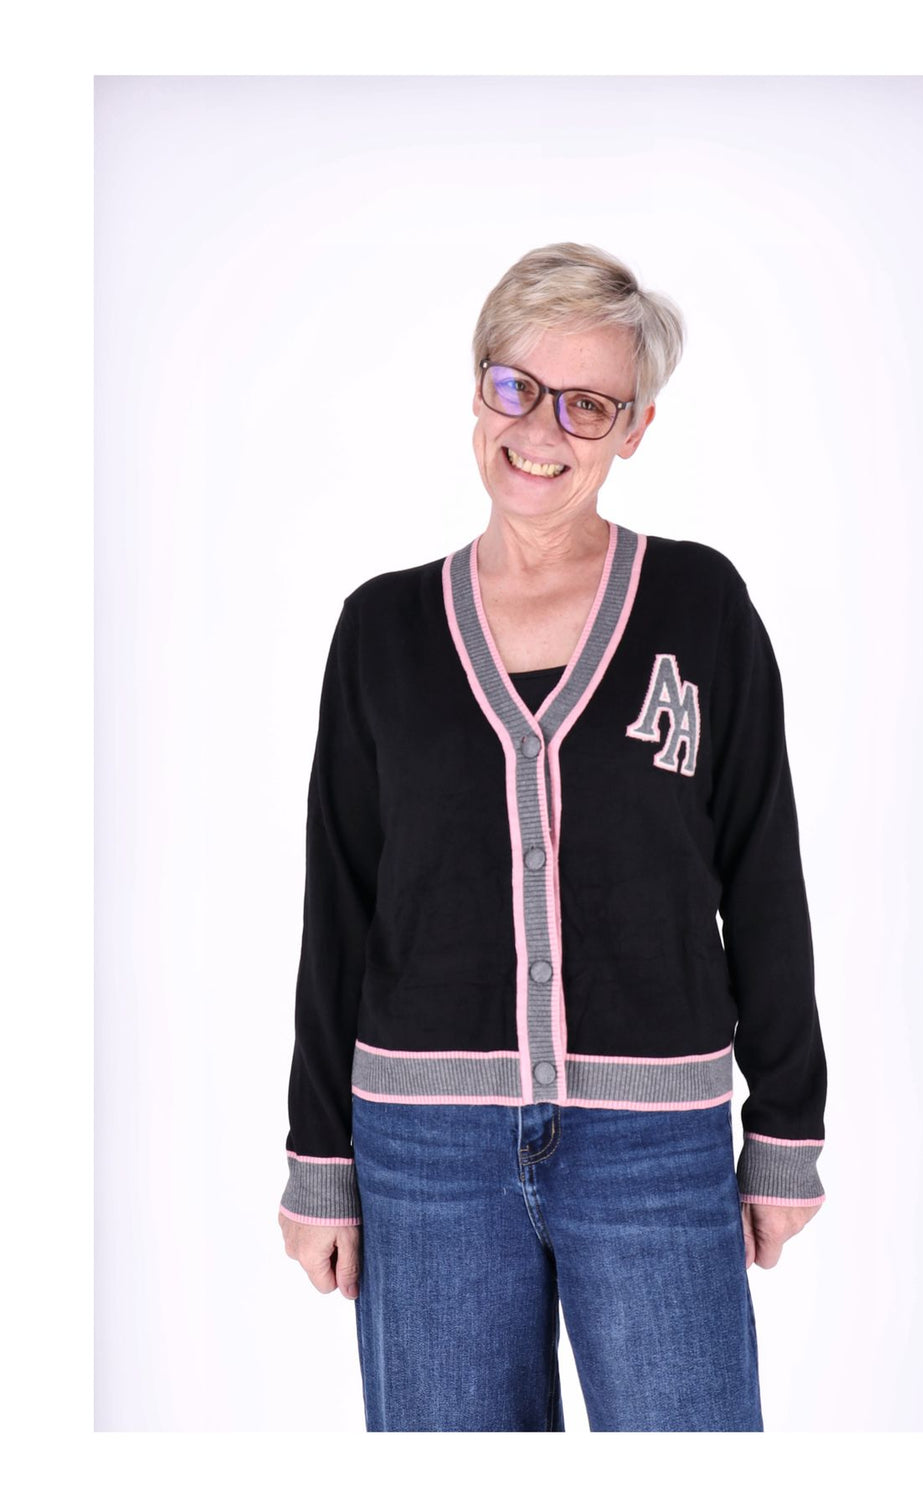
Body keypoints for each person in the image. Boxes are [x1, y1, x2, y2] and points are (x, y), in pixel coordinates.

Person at [277, 241, 827, 1432]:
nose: (542, 428)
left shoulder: (701, 606)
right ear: (479, 391)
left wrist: (786, 1123)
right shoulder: (380, 631)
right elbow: (341, 902)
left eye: (589, 403)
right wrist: (319, 1156)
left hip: (657, 1144)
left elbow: (762, 869)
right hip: (423, 1154)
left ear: (635, 430)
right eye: (516, 385)